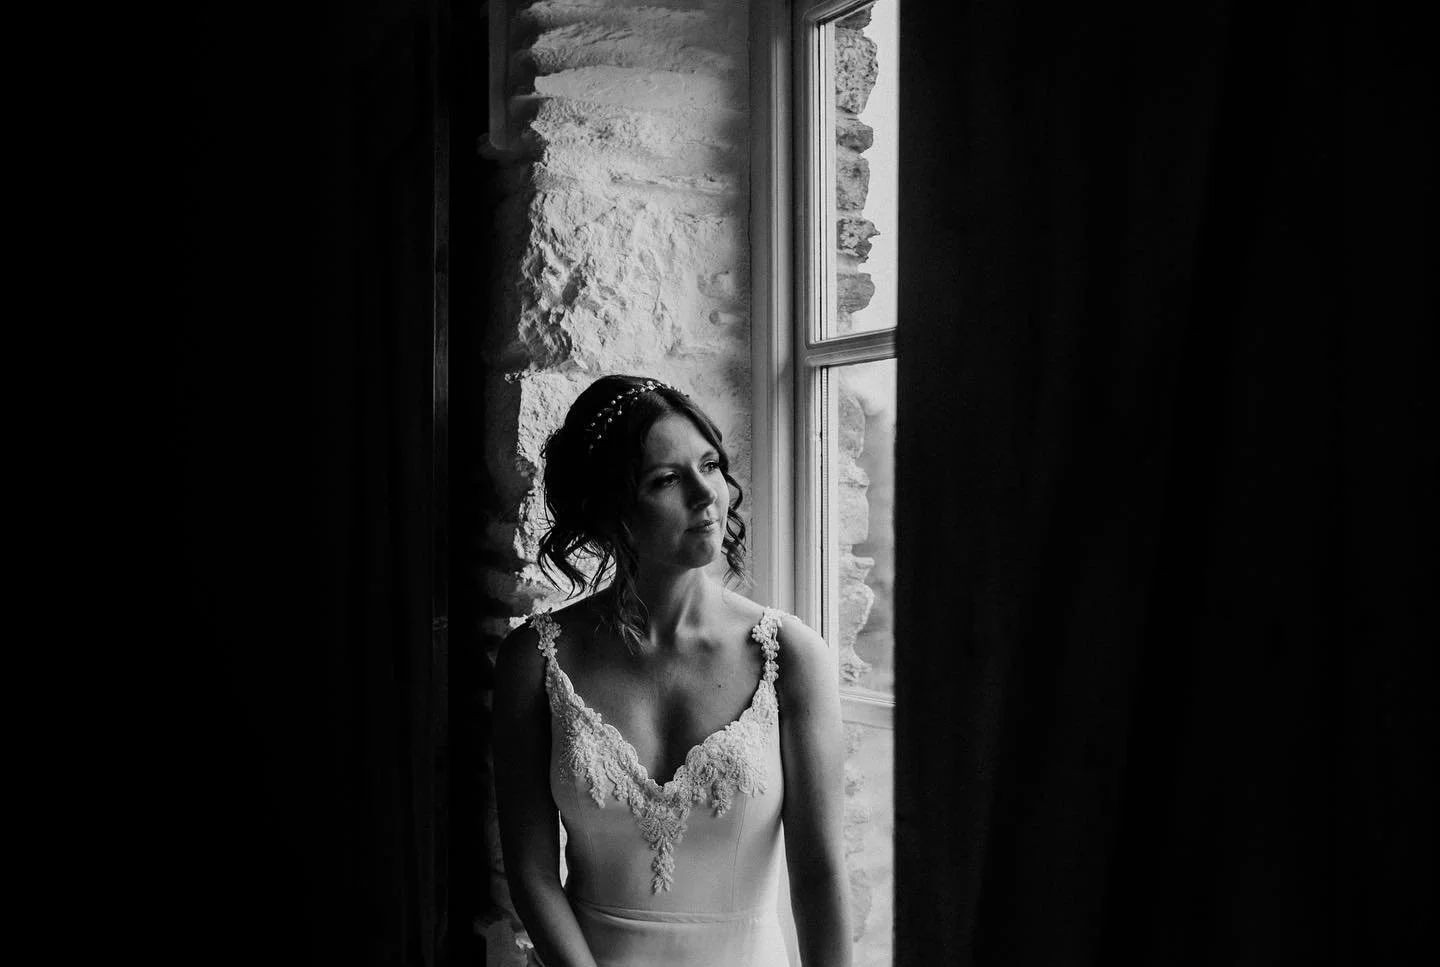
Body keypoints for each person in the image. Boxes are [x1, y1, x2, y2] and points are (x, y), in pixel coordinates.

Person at [492, 375, 852, 967]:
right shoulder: (534, 661)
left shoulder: (789, 657)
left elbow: (819, 876)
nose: (705, 494)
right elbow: (531, 875)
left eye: (710, 466)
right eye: (666, 479)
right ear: (608, 508)